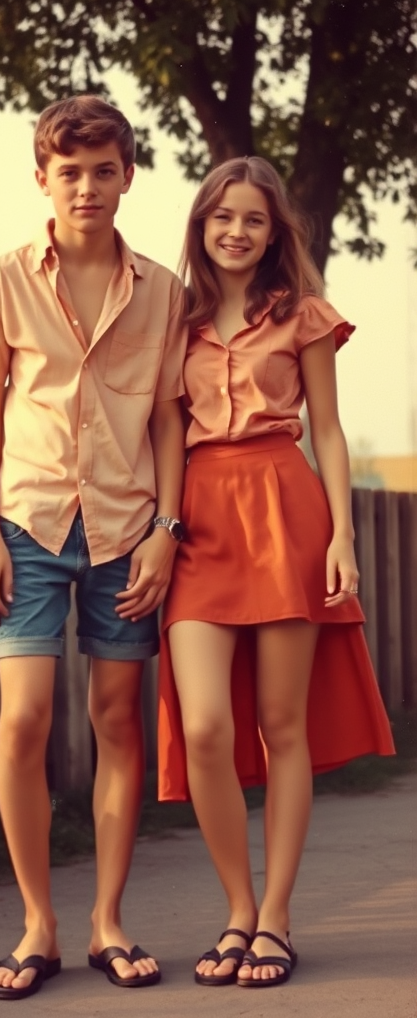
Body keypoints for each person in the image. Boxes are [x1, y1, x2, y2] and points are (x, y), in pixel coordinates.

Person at [0, 94, 187, 1000]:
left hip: (129, 531)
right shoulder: (2, 280)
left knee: (119, 722)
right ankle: (38, 925)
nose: (86, 186)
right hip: (28, 527)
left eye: (103, 170)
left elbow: (169, 419)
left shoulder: (164, 290)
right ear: (42, 180)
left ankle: (107, 922)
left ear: (127, 176)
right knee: (24, 720)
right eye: (68, 172)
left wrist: (166, 532)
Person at [157, 156, 395, 989]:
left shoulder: (302, 317)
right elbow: (159, 430)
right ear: (202, 224)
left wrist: (343, 536)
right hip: (198, 523)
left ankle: (276, 920)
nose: (237, 231)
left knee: (281, 726)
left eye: (254, 219)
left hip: (284, 511)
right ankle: (235, 908)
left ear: (274, 231)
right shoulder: (171, 320)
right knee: (207, 728)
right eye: (223, 216)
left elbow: (327, 431)